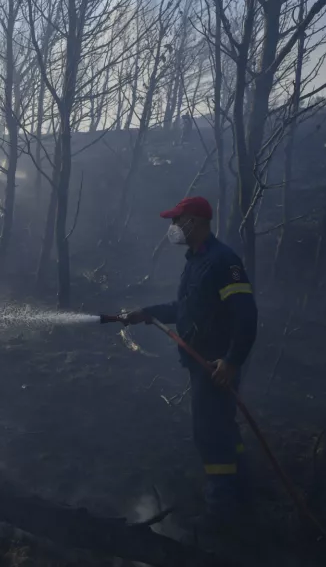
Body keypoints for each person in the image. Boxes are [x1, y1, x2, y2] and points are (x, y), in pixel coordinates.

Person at [122, 196, 258, 521]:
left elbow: (246, 315)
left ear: (193, 222)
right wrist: (147, 313)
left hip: (215, 365)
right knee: (222, 424)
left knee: (209, 431)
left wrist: (231, 361)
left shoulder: (225, 262)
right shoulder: (197, 260)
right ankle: (242, 483)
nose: (172, 228)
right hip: (202, 364)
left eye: (175, 221)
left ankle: (221, 504)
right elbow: (185, 309)